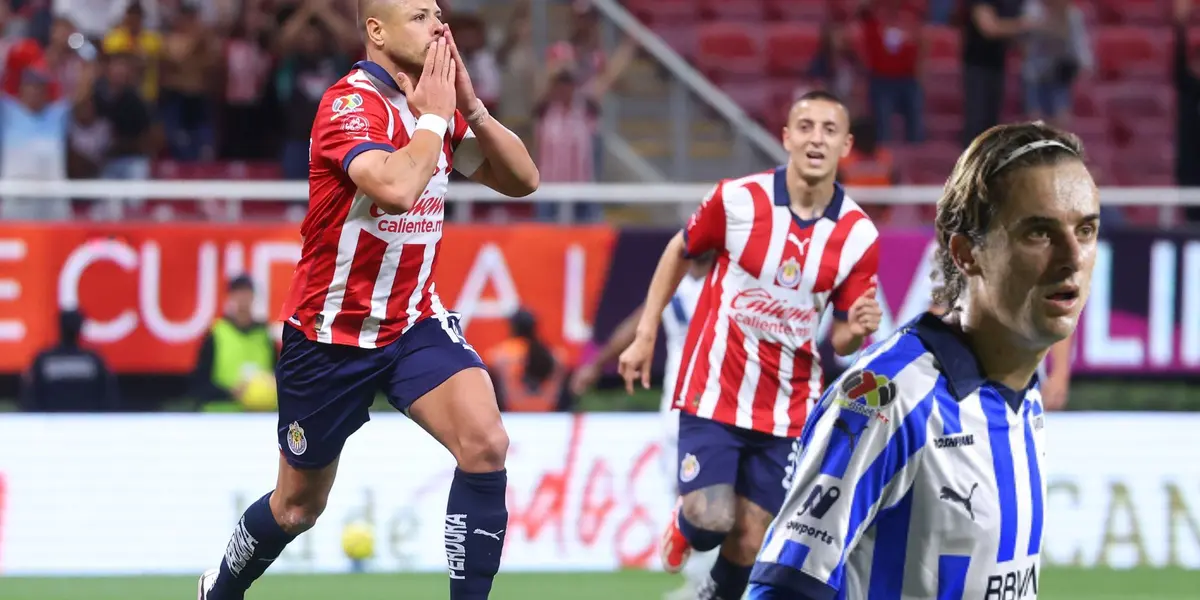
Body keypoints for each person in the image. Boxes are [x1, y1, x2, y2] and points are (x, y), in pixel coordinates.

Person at [197, 0, 539, 598]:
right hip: (330, 336)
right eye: (419, 16)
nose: (438, 25)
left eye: (438, 13)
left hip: (412, 322)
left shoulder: (438, 105)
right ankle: (219, 588)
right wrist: (435, 121)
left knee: (486, 444)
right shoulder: (349, 104)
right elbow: (398, 187)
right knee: (297, 508)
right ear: (376, 31)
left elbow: (522, 180)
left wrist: (472, 107)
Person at [748, 121, 1099, 598]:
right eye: (1039, 232)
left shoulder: (1022, 391)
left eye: (1086, 229)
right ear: (967, 254)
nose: (1073, 256)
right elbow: (780, 589)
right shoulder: (887, 398)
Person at [618, 90, 883, 600]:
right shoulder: (737, 200)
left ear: (845, 145)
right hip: (715, 392)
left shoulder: (858, 236)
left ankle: (714, 595)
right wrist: (646, 332)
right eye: (805, 127)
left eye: (829, 130)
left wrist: (860, 324)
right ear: (786, 137)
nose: (816, 139)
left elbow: (845, 334)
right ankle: (684, 525)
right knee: (711, 519)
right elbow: (681, 249)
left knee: (752, 538)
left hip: (789, 409)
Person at [570, 249, 718, 600]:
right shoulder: (674, 286)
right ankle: (700, 579)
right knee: (680, 490)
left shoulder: (730, 283)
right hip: (676, 407)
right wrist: (597, 364)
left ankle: (711, 582)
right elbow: (637, 326)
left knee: (709, 492)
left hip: (716, 403)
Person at [189, 275, 278, 411]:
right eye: (238, 293)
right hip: (221, 419)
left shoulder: (265, 335)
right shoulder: (216, 333)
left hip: (258, 419)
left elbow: (277, 374)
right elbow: (199, 383)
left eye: (246, 293)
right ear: (230, 297)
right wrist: (230, 393)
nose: (243, 299)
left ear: (253, 297)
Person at [19, 309, 120, 412]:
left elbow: (30, 398)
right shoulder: (94, 360)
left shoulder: (44, 359)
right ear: (80, 328)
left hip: (52, 423)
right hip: (86, 423)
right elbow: (109, 397)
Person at [487, 308, 570, 413]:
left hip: (511, 415)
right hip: (549, 415)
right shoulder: (555, 355)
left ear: (513, 328)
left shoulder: (501, 355)